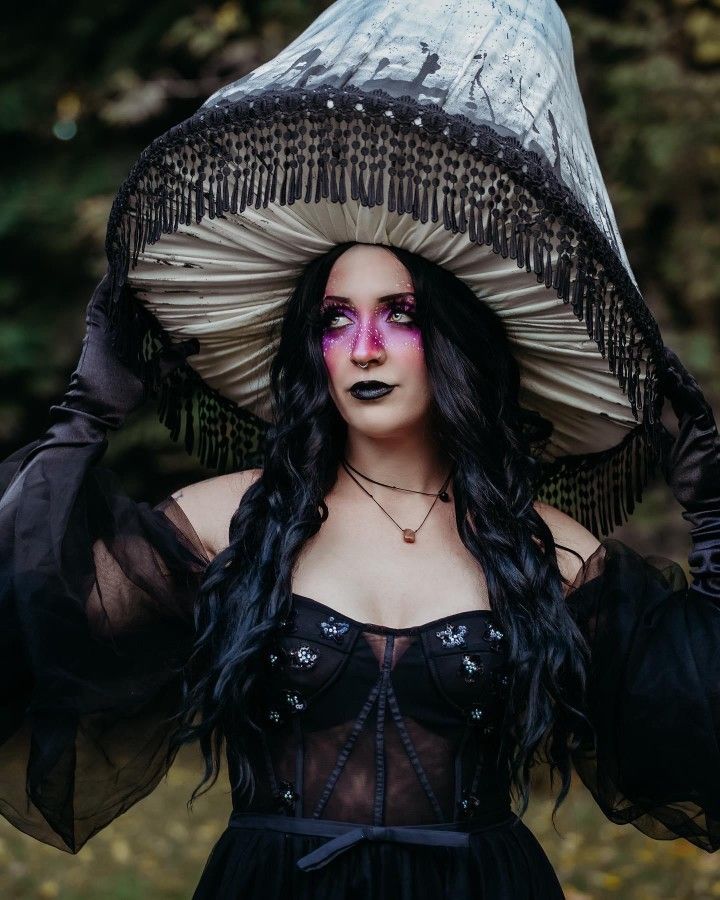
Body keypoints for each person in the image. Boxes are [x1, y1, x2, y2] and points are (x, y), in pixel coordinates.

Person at [1, 0, 719, 897]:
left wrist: (712, 500)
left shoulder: (544, 548)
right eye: (336, 320)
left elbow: (702, 716)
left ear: (459, 344)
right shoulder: (232, 519)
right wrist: (84, 417)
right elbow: (31, 614)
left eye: (401, 315)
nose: (365, 348)